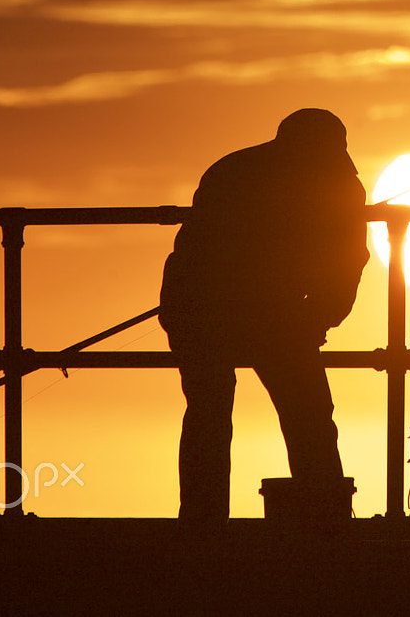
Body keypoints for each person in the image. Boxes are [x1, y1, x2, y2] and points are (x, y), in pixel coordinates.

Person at [159, 109, 369, 520]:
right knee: (308, 416)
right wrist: (321, 316)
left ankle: (203, 522)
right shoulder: (341, 184)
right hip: (269, 313)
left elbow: (192, 250)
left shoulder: (231, 169)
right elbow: (349, 261)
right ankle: (325, 521)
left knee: (208, 416)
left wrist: (316, 316)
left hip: (202, 308)